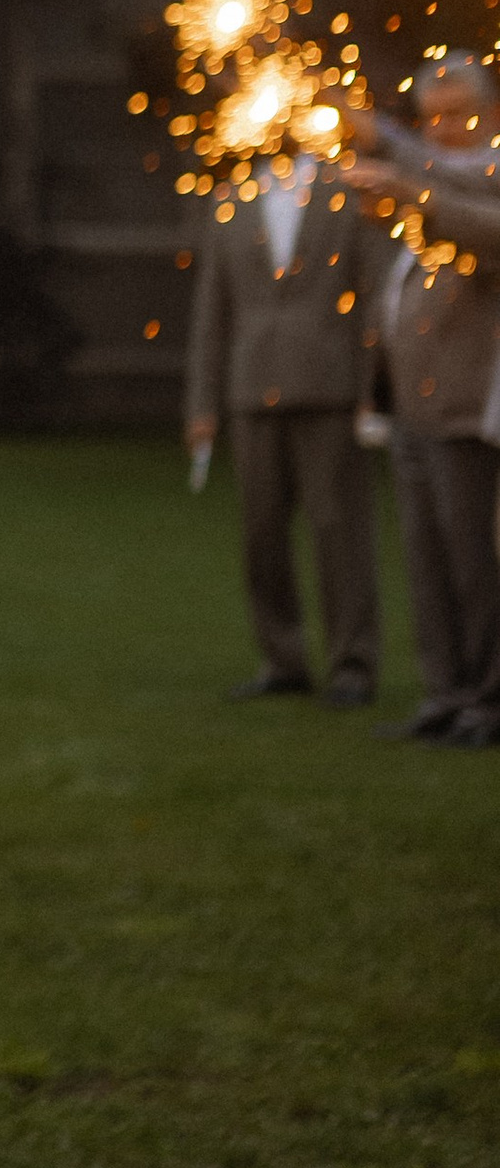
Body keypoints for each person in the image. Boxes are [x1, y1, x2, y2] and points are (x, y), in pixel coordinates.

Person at [185, 143, 382, 703]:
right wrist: (201, 403)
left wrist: (373, 392)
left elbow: (370, 296)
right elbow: (212, 307)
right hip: (252, 389)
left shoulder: (345, 195)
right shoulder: (229, 200)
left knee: (338, 530)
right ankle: (282, 659)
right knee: (261, 532)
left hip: (329, 387)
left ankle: (352, 664)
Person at [344, 67, 500, 740]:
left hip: (467, 408)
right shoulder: (437, 185)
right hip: (410, 408)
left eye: (458, 113)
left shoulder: (483, 178)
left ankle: (487, 702)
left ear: (492, 112)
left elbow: (482, 222)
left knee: (474, 566)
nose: (443, 129)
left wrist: (406, 176)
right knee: (427, 564)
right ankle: (444, 694)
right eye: (432, 116)